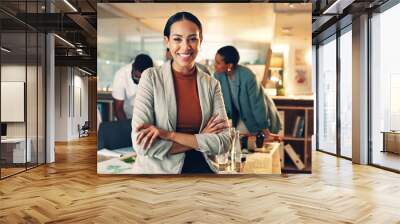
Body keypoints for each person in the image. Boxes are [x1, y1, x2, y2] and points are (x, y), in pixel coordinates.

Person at [131, 12, 231, 174]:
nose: (185, 47)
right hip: (159, 172)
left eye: (192, 39)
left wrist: (169, 134)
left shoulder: (211, 84)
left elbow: (224, 141)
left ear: (200, 41)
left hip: (203, 168)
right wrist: (200, 137)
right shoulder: (150, 78)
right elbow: (141, 144)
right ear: (167, 42)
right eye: (177, 39)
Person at [214, 45, 281, 139]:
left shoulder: (248, 76)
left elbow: (257, 104)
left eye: (218, 63)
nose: (215, 65)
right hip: (237, 117)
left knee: (254, 144)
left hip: (254, 116)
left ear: (229, 65)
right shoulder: (219, 76)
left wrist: (264, 128)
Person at [112, 54, 153, 121]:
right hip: (126, 117)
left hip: (147, 118)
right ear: (133, 68)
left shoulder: (155, 75)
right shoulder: (121, 75)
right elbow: (118, 109)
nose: (139, 81)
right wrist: (126, 128)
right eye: (137, 77)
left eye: (142, 79)